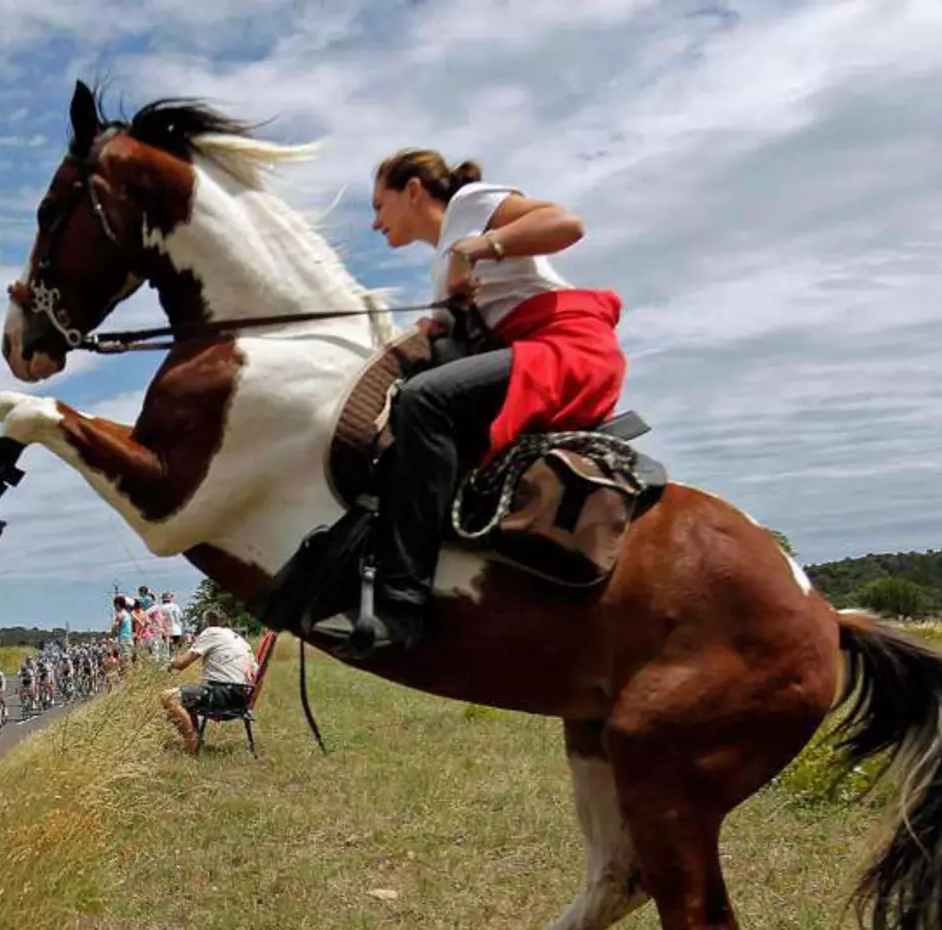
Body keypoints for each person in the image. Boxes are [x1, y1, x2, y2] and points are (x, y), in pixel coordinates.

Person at [311, 148, 627, 658]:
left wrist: (475, 247)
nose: (373, 223)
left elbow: (566, 223)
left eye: (379, 205)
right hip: (530, 352)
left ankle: (401, 607)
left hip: (565, 349)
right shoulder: (441, 270)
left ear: (413, 190)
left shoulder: (469, 206)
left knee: (425, 402)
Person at [161, 609, 257, 755]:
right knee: (189, 695)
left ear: (206, 623)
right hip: (241, 698)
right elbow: (256, 673)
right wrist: (249, 703)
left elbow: (182, 664)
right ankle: (195, 738)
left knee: (168, 696)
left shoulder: (211, 632)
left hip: (224, 694)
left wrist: (168, 664)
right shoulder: (240, 639)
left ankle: (192, 741)